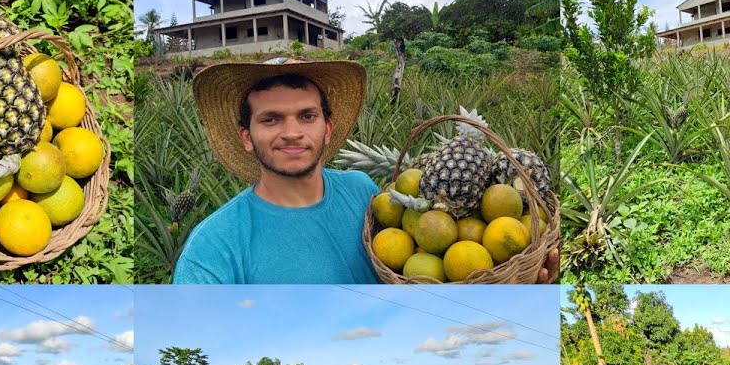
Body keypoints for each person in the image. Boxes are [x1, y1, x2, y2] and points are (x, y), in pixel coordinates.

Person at [173, 58, 559, 284]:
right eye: (271, 119)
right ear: (246, 136)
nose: (292, 132)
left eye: (306, 116)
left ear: (328, 127)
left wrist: (517, 287)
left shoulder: (365, 193)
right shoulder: (212, 250)